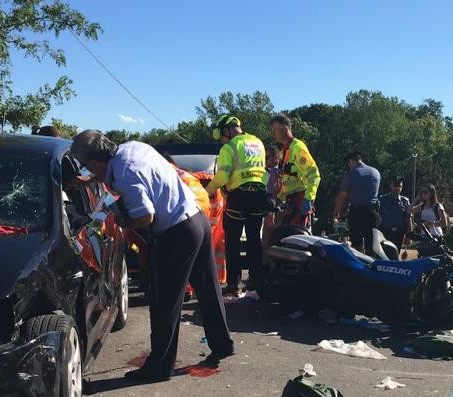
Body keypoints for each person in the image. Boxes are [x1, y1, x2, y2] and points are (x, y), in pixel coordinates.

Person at [69, 130, 233, 383]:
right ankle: (222, 344)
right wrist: (89, 181)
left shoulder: (125, 176)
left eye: (88, 167)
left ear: (93, 162)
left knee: (164, 301)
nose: (89, 172)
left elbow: (146, 217)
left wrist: (123, 221)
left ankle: (159, 367)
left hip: (177, 233)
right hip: (195, 218)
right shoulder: (132, 148)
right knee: (207, 286)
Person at [206, 115, 266, 296]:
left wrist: (207, 191)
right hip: (259, 196)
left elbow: (223, 177)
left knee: (232, 241)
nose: (222, 140)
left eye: (222, 137)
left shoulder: (229, 147)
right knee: (254, 241)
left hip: (238, 198)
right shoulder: (258, 142)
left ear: (226, 131)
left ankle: (234, 284)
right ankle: (255, 282)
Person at [271, 114, 320, 230]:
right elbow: (289, 176)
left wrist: (308, 198)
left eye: (275, 130)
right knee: (286, 239)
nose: (273, 134)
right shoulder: (285, 150)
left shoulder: (297, 148)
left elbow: (314, 173)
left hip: (300, 200)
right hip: (291, 202)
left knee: (296, 240)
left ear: (285, 128)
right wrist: (280, 197)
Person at [333, 151, 381, 253]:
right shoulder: (375, 172)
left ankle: (358, 267)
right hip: (372, 213)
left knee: (356, 247)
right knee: (372, 246)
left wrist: (336, 213)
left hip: (357, 214)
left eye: (349, 163)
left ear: (351, 161)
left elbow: (342, 196)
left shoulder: (351, 174)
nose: (349, 165)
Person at [379, 177, 412, 251]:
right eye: (395, 186)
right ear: (390, 186)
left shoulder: (405, 201)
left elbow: (409, 219)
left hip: (399, 234)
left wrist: (409, 236)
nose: (397, 188)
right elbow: (378, 217)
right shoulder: (382, 199)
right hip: (385, 233)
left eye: (399, 186)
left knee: (396, 256)